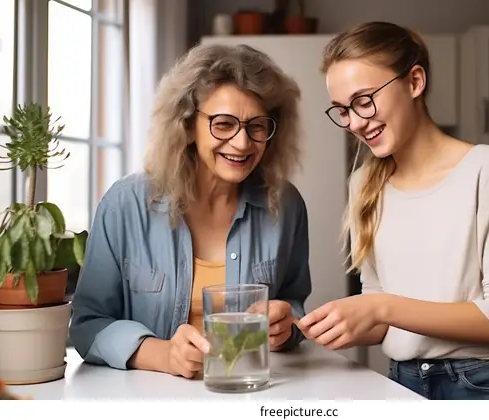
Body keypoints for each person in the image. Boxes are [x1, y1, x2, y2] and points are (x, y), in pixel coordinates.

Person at [296, 21, 489, 400]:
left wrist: (381, 307)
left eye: (364, 100)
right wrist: (318, 325)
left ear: (415, 82)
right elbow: (381, 320)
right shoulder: (363, 185)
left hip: (485, 386)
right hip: (401, 382)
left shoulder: (486, 168)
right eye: (343, 110)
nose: (356, 122)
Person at [69, 43, 312, 379]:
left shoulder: (286, 206)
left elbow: (294, 303)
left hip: (250, 392)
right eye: (224, 124)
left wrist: (287, 325)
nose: (242, 143)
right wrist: (163, 354)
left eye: (257, 126)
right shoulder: (125, 204)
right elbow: (87, 324)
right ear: (186, 125)